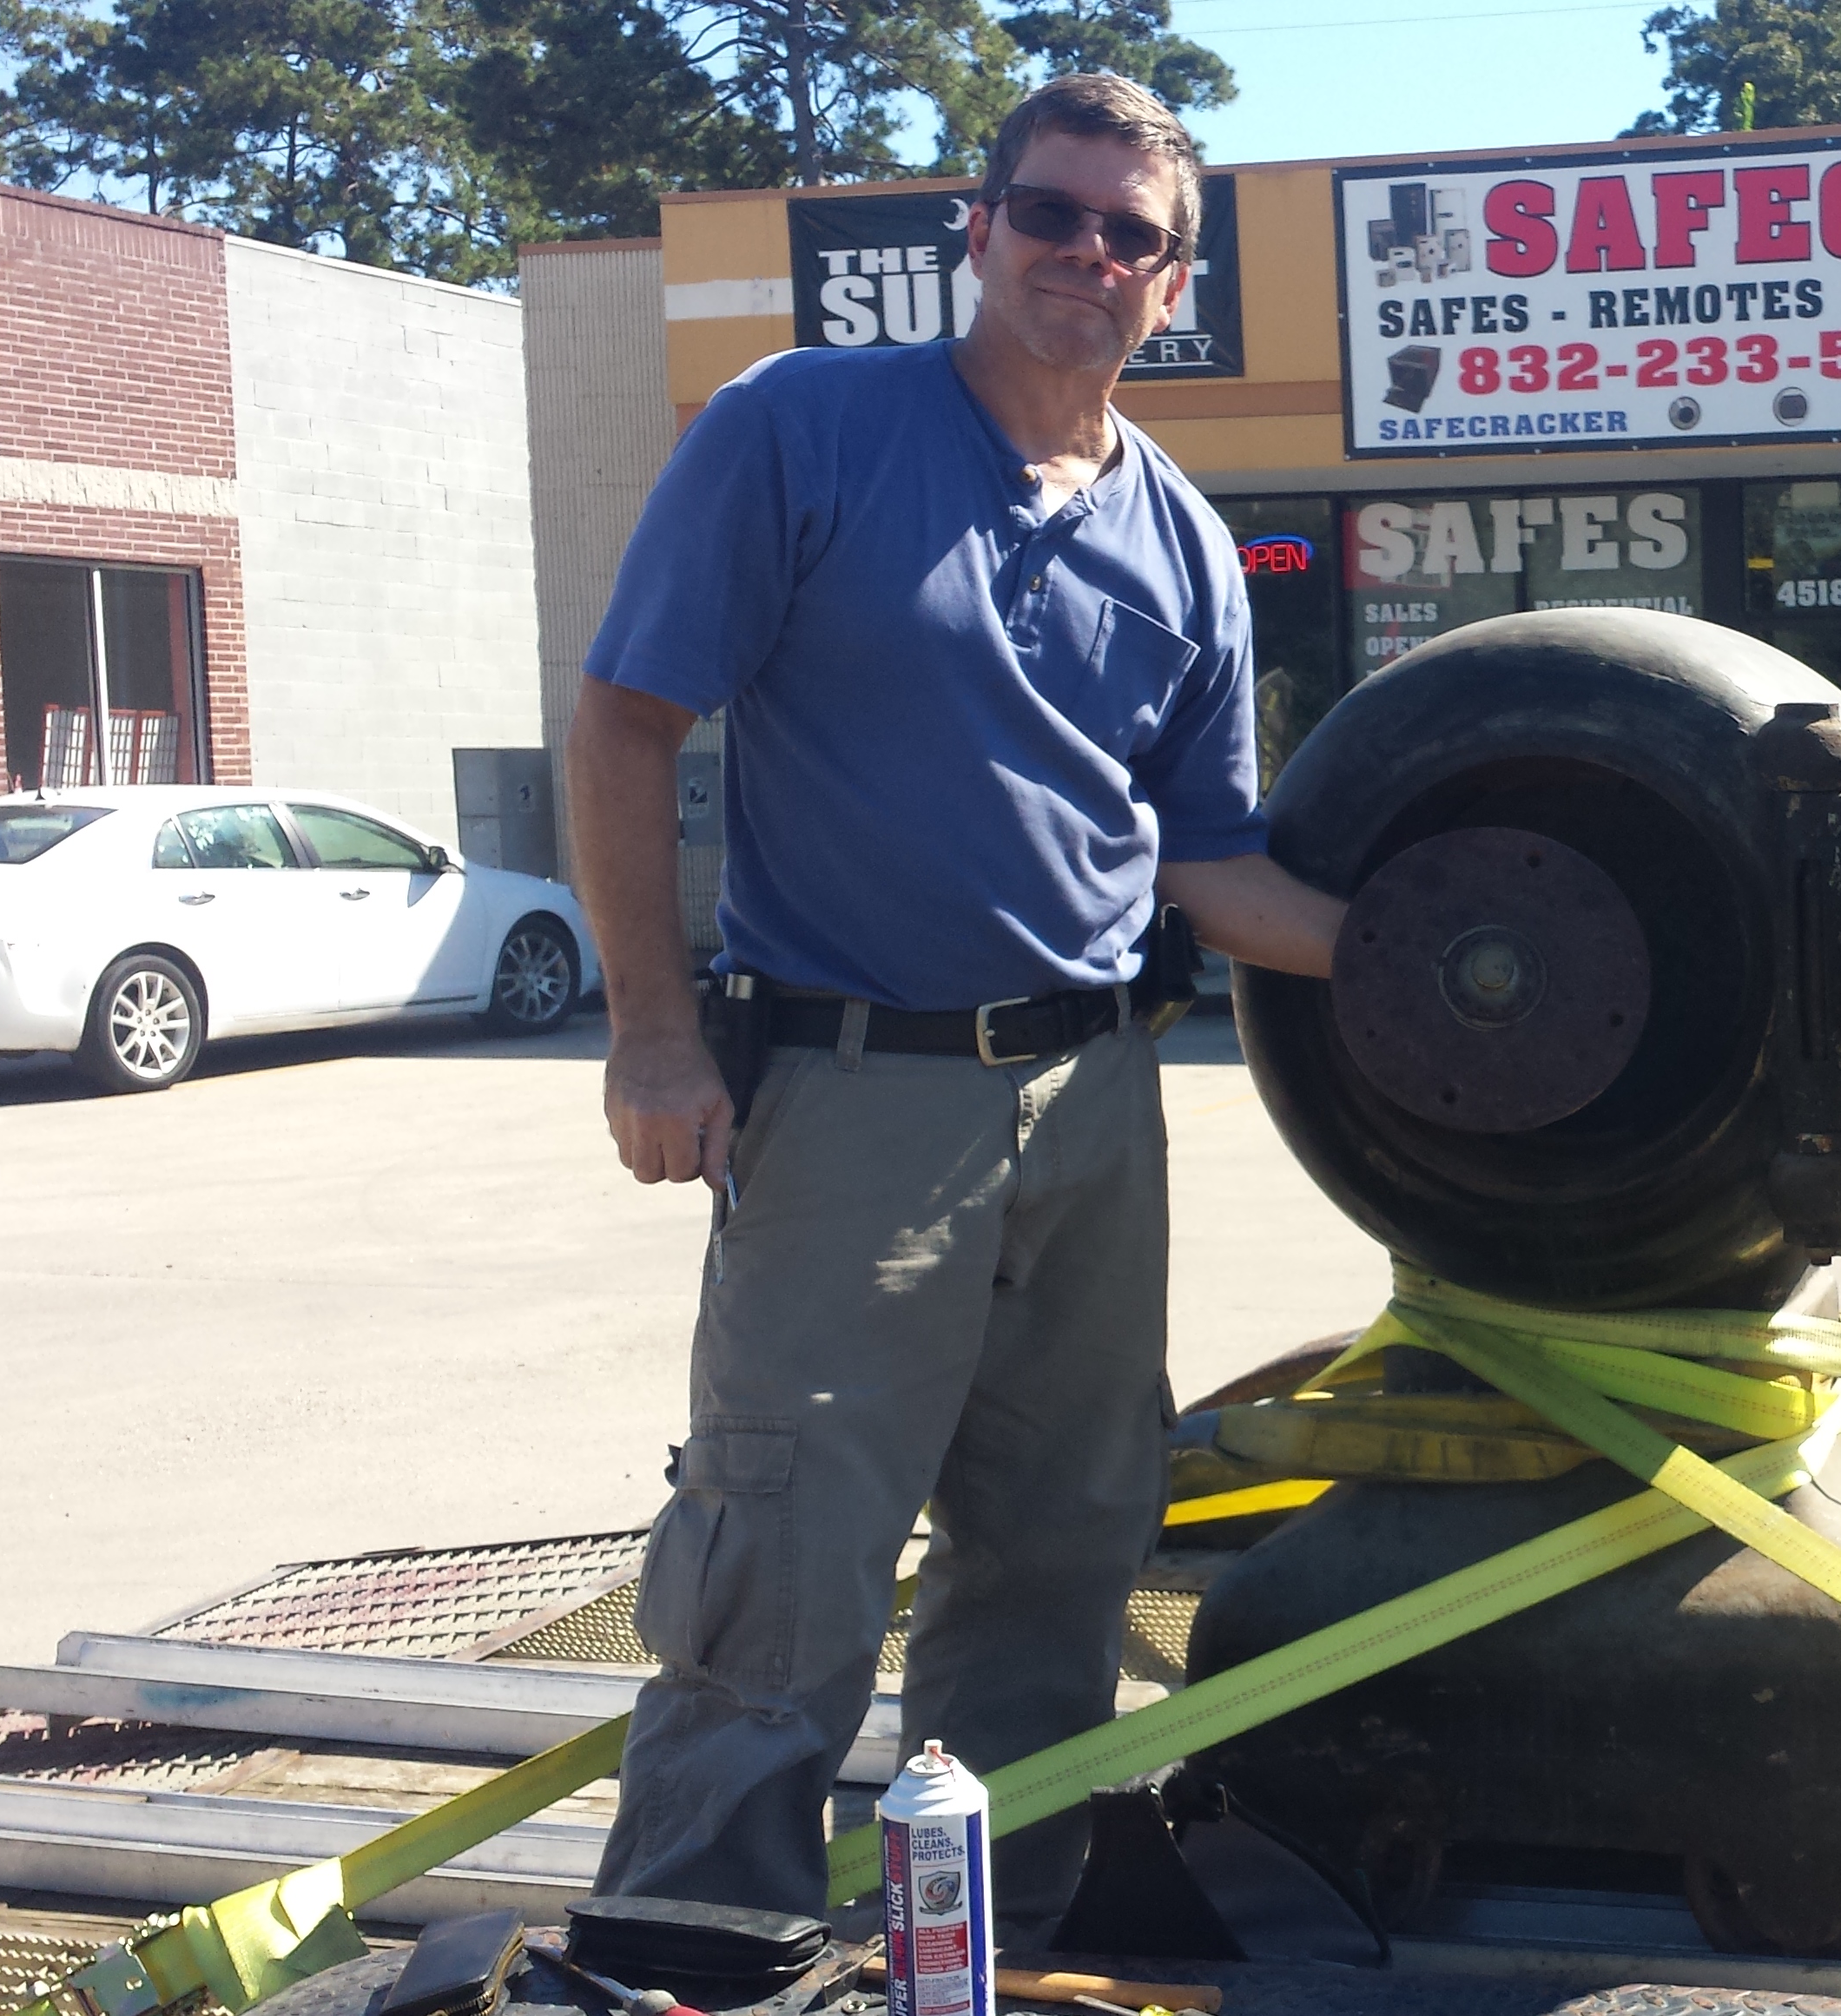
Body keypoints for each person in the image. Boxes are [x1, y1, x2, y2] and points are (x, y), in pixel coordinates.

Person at [565, 71, 1346, 1930]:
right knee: (789, 1541)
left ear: (1177, 282)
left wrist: (1444, 958)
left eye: (1130, 234)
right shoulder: (803, 430)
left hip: (1096, 1101)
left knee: (1060, 1541)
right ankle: (700, 1932)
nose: (1087, 255)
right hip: (853, 1088)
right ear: (975, 231)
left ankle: (1006, 1914)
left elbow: (1207, 861)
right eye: (1052, 214)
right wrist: (653, 1031)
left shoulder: (1184, 544)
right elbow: (624, 717)